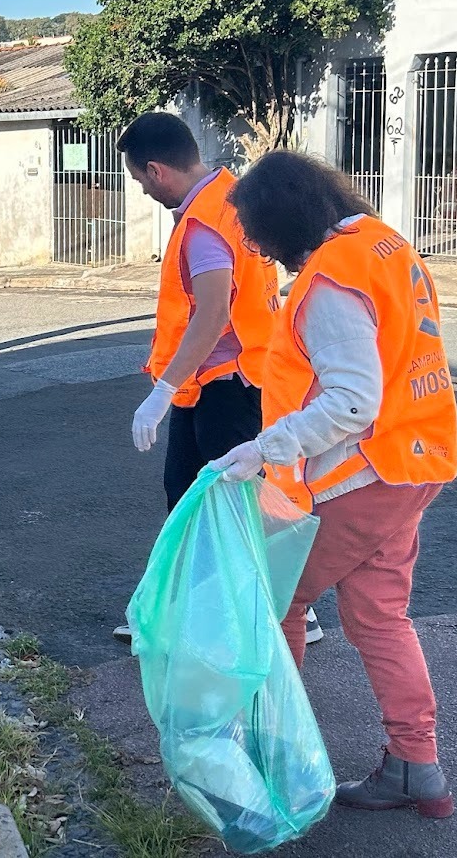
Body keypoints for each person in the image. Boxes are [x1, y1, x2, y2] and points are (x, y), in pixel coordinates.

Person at [213, 151, 457, 819]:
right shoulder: (384, 244)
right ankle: (418, 766)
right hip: (415, 461)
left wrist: (265, 446)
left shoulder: (329, 280)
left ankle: (277, 759)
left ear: (287, 221)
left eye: (258, 236)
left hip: (364, 473)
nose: (257, 249)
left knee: (277, 601)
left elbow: (353, 400)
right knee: (379, 615)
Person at [114, 114, 322, 644]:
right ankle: (182, 608)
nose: (141, 189)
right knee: (192, 494)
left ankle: (270, 612)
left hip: (224, 385)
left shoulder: (203, 224)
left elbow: (211, 314)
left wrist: (160, 392)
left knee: (227, 501)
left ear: (157, 170)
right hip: (234, 378)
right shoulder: (231, 196)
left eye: (139, 179)